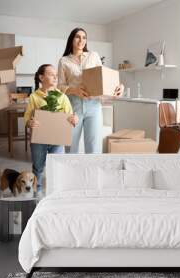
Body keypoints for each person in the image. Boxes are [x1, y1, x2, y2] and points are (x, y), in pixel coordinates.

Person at [58, 27, 124, 153]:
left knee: (93, 147)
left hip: (93, 106)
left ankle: (93, 172)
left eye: (84, 37)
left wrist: (120, 85)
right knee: (71, 147)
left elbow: (103, 77)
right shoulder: (64, 61)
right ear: (71, 39)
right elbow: (60, 86)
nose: (81, 40)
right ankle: (71, 172)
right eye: (78, 36)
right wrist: (74, 90)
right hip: (73, 107)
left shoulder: (93, 56)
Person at [24, 64, 78, 197]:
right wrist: (29, 122)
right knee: (38, 167)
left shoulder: (62, 97)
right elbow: (27, 117)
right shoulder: (34, 97)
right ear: (41, 77)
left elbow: (71, 115)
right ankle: (38, 191)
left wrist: (74, 119)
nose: (55, 76)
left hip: (57, 139)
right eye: (51, 74)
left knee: (57, 166)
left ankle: (56, 192)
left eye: (56, 74)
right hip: (38, 140)